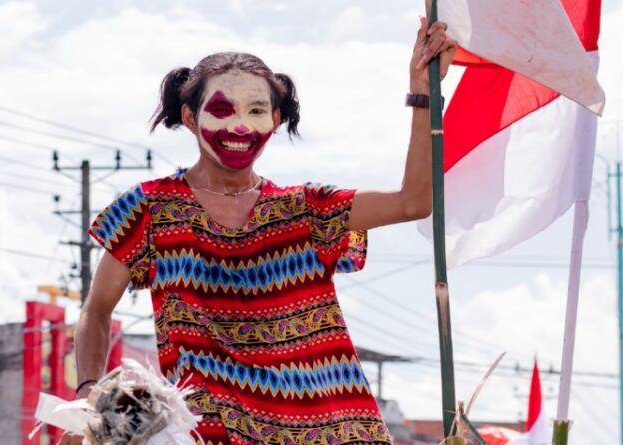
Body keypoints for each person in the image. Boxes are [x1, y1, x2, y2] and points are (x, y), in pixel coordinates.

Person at [60, 17, 456, 445]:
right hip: (210, 431)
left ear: (276, 119)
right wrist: (88, 395)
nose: (240, 126)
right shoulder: (150, 210)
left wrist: (423, 92)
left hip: (330, 432)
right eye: (221, 110)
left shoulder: (306, 211)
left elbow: (413, 202)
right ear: (191, 119)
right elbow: (96, 310)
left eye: (256, 110)